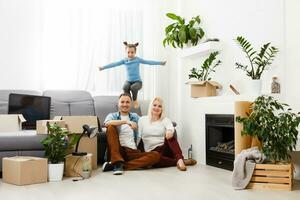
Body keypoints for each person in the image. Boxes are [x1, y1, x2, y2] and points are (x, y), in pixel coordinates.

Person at [102, 93, 160, 175]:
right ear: (118, 104)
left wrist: (166, 126)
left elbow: (148, 123)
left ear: (131, 104)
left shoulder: (135, 117)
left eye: (127, 102)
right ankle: (117, 161)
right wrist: (126, 121)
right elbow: (107, 123)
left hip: (132, 152)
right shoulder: (112, 116)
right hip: (118, 151)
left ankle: (117, 165)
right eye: (122, 102)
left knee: (156, 155)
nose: (125, 104)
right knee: (111, 127)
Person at [98, 42, 166, 109]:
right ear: (126, 52)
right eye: (128, 52)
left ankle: (135, 100)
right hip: (128, 81)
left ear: (135, 52)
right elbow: (114, 64)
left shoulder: (137, 59)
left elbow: (149, 62)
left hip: (138, 82)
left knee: (133, 87)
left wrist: (161, 63)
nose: (130, 54)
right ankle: (128, 100)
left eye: (132, 52)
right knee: (125, 87)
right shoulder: (124, 60)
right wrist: (103, 67)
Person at [138, 97, 197, 171]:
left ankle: (180, 160)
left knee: (169, 136)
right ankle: (180, 161)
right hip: (151, 152)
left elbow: (170, 127)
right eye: (155, 105)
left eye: (160, 106)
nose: (157, 108)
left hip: (165, 149)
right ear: (151, 106)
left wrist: (169, 131)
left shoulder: (165, 120)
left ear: (162, 109)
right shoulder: (142, 120)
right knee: (154, 161)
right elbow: (138, 137)